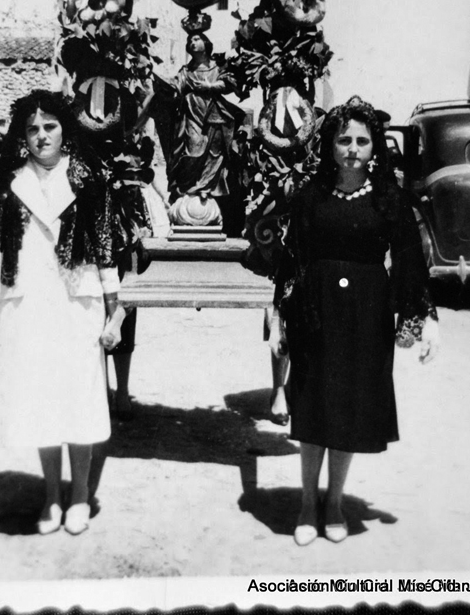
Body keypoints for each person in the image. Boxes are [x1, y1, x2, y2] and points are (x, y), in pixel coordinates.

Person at [0, 90, 125, 536]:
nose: (41, 135)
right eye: (32, 129)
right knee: (40, 400)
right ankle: (50, 496)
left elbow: (104, 248)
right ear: (22, 136)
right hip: (27, 305)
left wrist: (114, 311)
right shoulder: (10, 183)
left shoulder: (88, 179)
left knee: (78, 399)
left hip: (74, 304)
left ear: (65, 131)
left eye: (50, 127)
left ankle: (79, 493)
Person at [269, 95, 440, 546]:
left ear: (374, 147)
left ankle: (335, 502)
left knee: (348, 409)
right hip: (314, 311)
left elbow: (409, 261)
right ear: (330, 145)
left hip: (367, 316)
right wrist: (277, 321)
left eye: (362, 140)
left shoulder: (390, 198)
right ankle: (307, 503)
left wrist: (427, 319)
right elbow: (292, 259)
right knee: (313, 406)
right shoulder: (310, 197)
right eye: (344, 139)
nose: (352, 148)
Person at [154, 33, 242, 199]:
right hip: (192, 113)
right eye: (189, 40)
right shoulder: (186, 71)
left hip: (214, 115)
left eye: (196, 39)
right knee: (194, 149)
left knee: (214, 153)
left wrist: (209, 86)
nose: (191, 42)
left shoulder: (218, 67)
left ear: (206, 43)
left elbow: (230, 83)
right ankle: (188, 187)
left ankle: (205, 187)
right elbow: (175, 88)